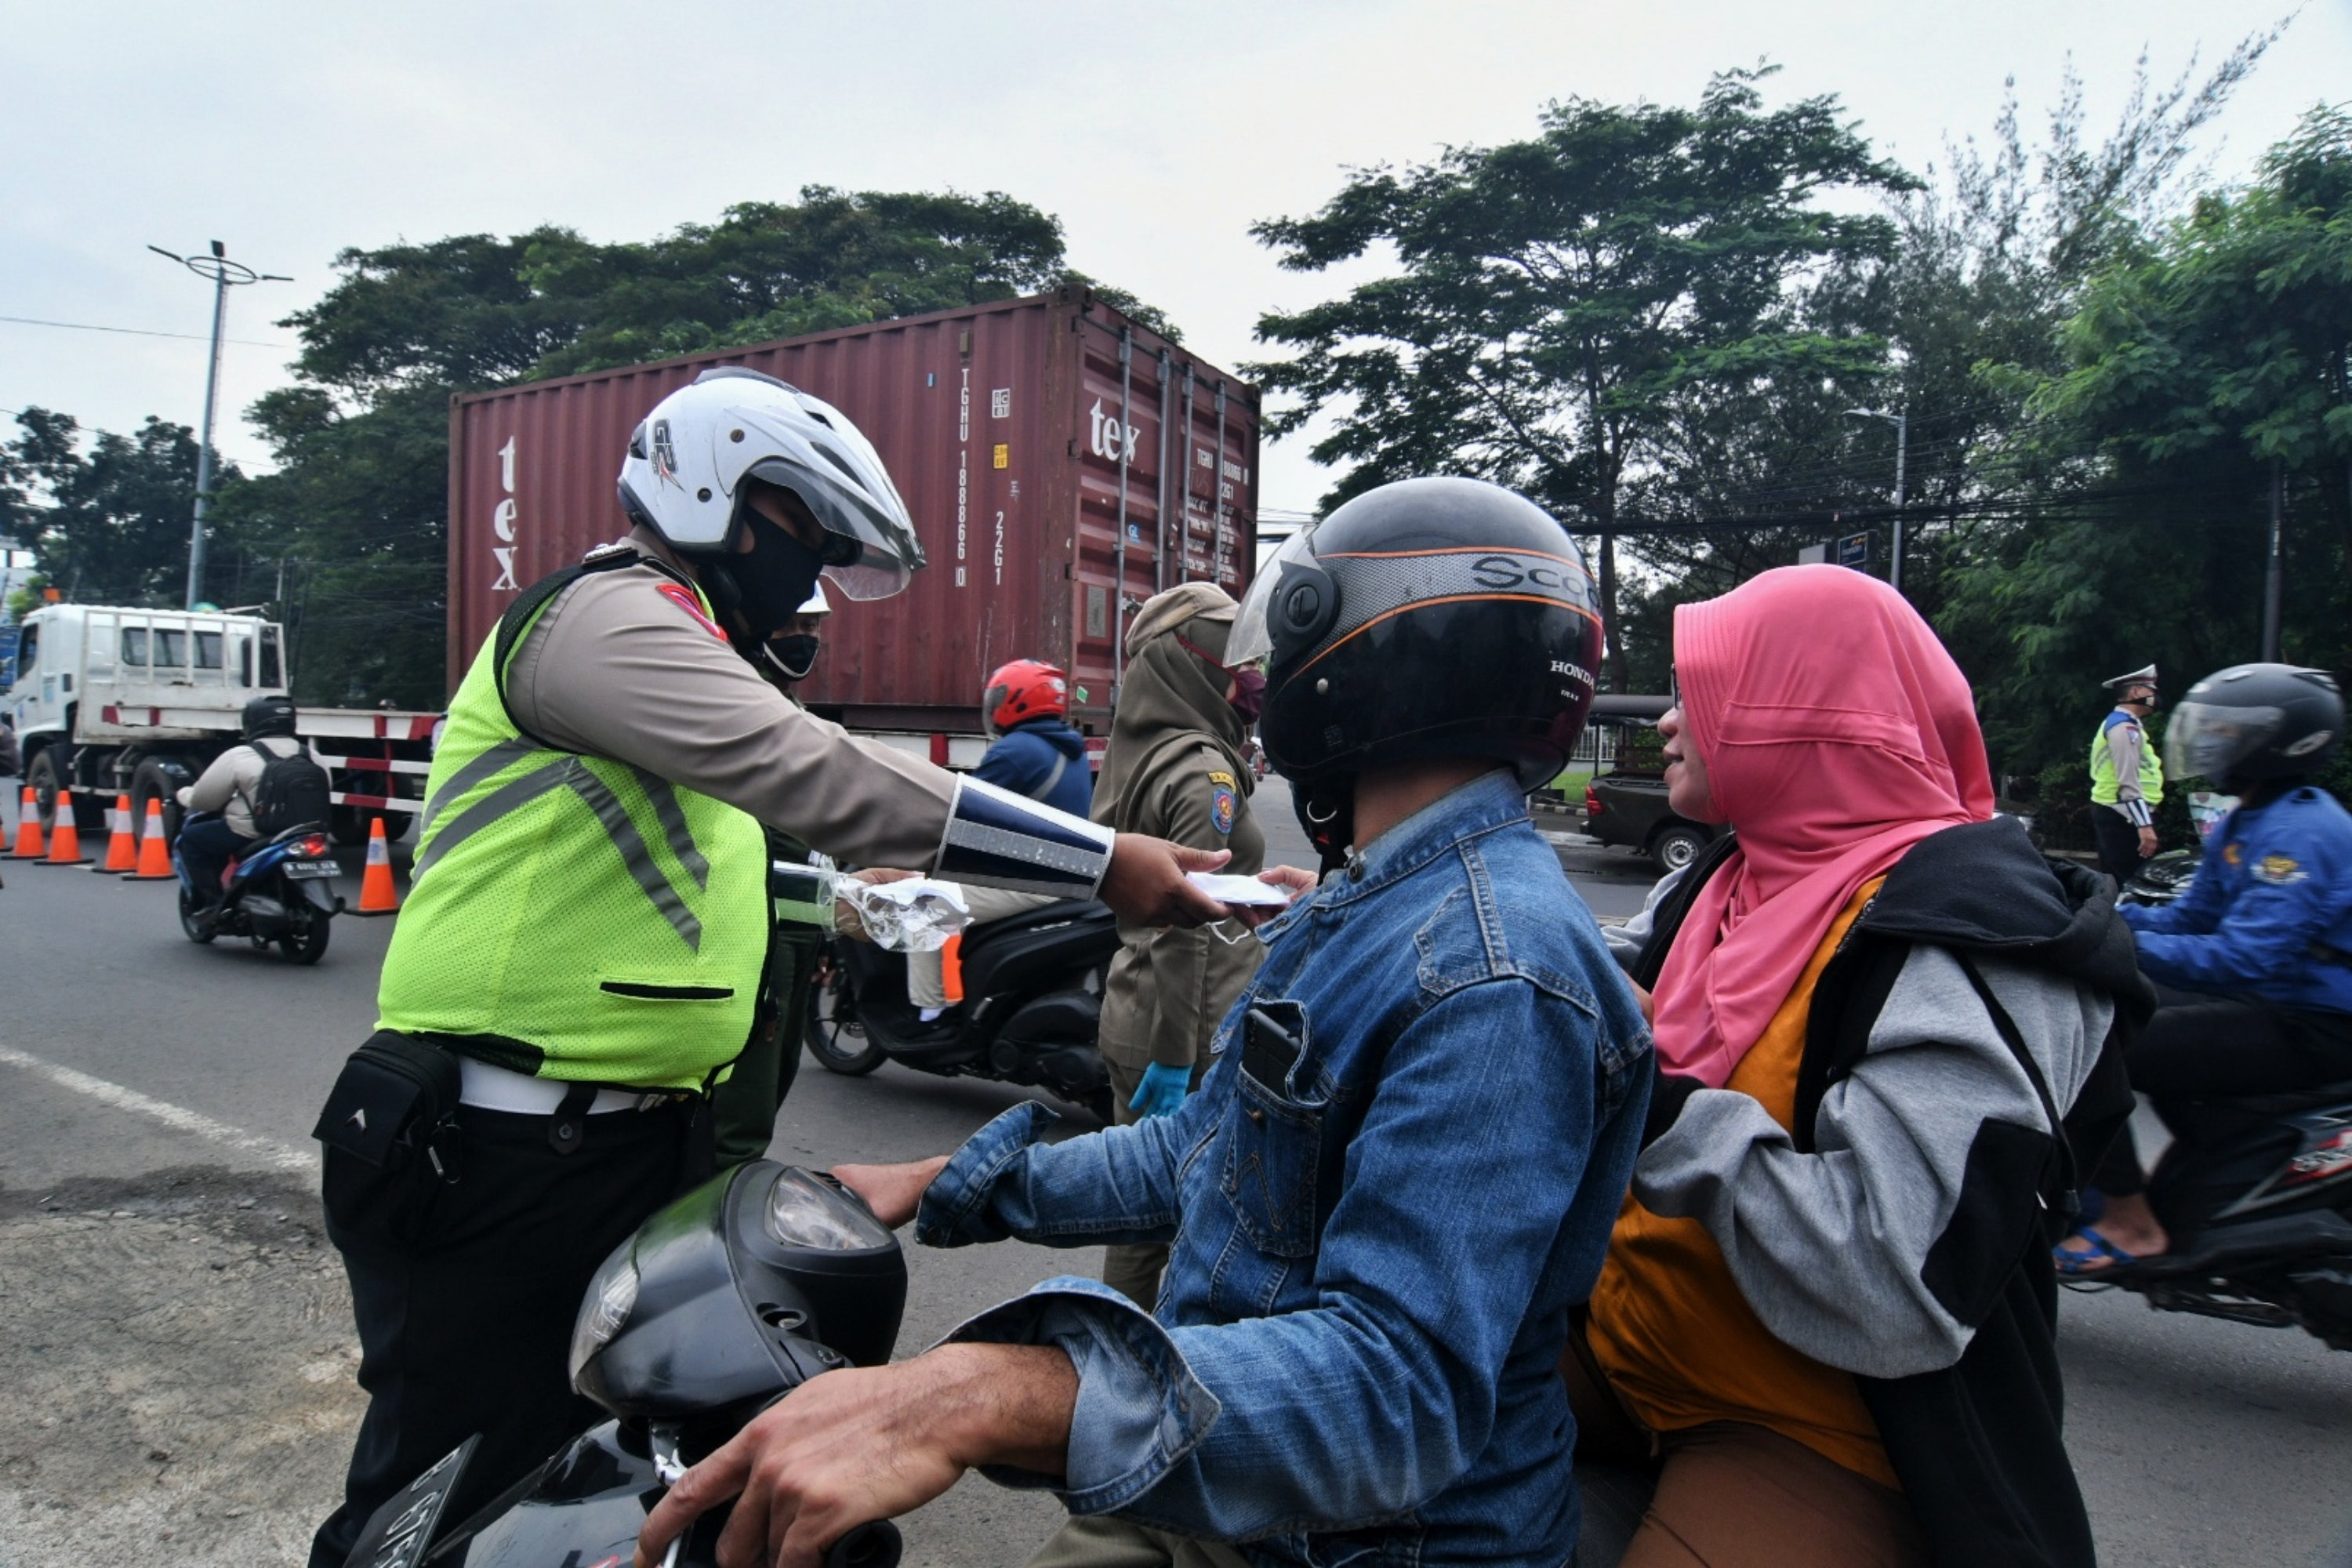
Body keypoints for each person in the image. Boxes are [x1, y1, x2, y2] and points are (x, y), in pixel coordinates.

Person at [307, 367, 1236, 1568]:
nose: (806, 582)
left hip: (632, 1143)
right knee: (454, 1477)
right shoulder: (603, 620)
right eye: (802, 537)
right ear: (713, 496)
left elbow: (759, 876)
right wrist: (1109, 863)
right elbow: (827, 773)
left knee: (629, 1477)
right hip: (498, 1144)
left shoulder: (690, 655)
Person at [635, 475, 1651, 1568]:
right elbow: (1210, 1151)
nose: (1262, 684)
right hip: (1232, 1474)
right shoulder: (1377, 902)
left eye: (1283, 647)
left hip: (1354, 1539)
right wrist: (947, 1180)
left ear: (1352, 658)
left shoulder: (1493, 975)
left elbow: (1396, 1391)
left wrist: (980, 1391)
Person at [1567, 565, 2147, 1568]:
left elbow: (1892, 1279)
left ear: (1802, 712)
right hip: (1629, 1343)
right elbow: (1606, 971)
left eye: (1701, 690)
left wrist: (1656, 1108)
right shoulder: (1732, 873)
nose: (1668, 720)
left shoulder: (1970, 938)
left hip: (1805, 1416)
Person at [2060, 662, 2352, 1271]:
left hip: (2316, 1021)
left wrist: (2112, 948)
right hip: (2278, 997)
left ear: (2276, 743)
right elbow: (2193, 918)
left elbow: (2245, 959)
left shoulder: (2302, 832)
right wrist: (2102, 920)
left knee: (2091, 1045)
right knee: (2098, 1008)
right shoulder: (2251, 818)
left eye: (2227, 731)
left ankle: (2128, 1221)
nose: (2211, 742)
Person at [1087, 582, 1267, 1306]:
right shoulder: (1205, 770)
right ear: (1191, 664)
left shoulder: (1143, 751)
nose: (1251, 680)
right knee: (1167, 1220)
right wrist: (1174, 1053)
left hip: (1135, 1003)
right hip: (1183, 1028)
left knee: (1140, 1214)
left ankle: (1113, 1350)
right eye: (1238, 659)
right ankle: (1132, 1362)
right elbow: (1184, 927)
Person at [710, 586, 835, 1169]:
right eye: (792, 625)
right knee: (740, 1118)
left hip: (798, 926)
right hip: (755, 931)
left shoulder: (793, 711)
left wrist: (828, 923)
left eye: (813, 629)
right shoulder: (736, 703)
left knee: (776, 1083)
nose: (804, 640)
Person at [905, 659, 1094, 1025]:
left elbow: (963, 814)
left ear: (1018, 700)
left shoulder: (1017, 751)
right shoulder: (1071, 749)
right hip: (1067, 877)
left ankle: (931, 1011)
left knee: (925, 905)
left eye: (999, 697)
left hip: (1034, 881)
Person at [174, 694, 318, 909]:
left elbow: (205, 800)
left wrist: (184, 795)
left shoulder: (240, 756)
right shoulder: (313, 756)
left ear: (251, 723)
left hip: (252, 833)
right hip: (306, 832)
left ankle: (212, 902)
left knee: (192, 838)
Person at [2089, 663, 2165, 886]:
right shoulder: (2123, 727)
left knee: (2122, 882)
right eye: (2150, 690)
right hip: (2123, 816)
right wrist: (2145, 826)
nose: (2154, 696)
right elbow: (2128, 781)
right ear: (2135, 692)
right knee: (2129, 885)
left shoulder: (2128, 725)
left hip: (2122, 813)